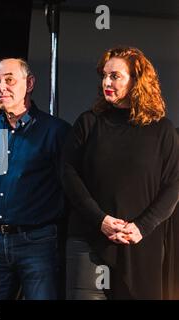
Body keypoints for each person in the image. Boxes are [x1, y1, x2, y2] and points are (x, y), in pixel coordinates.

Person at [62, 46, 179, 299]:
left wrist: (141, 227)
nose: (106, 82)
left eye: (115, 76)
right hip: (88, 239)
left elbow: (173, 185)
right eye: (104, 75)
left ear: (137, 80)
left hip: (140, 243)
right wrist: (100, 220)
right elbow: (68, 174)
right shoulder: (89, 122)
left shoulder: (162, 130)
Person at [0, 58, 71, 300]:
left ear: (29, 84)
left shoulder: (56, 131)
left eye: (9, 80)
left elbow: (68, 186)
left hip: (38, 241)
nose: (1, 88)